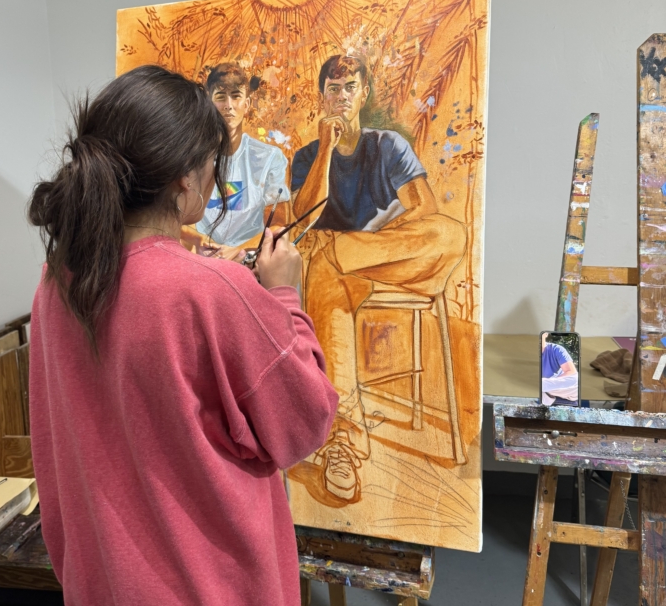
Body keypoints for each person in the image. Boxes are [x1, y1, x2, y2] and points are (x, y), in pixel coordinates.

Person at [28, 65, 338, 605]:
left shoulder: (57, 283)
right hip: (210, 588)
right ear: (184, 178)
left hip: (102, 584)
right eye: (213, 161)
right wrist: (283, 294)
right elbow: (305, 421)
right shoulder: (210, 291)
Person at [290, 55, 466, 502]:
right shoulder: (307, 157)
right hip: (341, 279)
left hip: (390, 262)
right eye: (333, 89)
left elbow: (422, 208)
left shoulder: (388, 145)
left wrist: (368, 244)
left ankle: (343, 252)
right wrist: (326, 150)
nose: (341, 97)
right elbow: (303, 219)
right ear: (322, 96)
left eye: (349, 87)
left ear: (363, 93)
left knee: (450, 232)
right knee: (326, 272)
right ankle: (343, 439)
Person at [181, 63, 290, 255]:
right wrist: (199, 242)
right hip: (202, 258)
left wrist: (237, 252)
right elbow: (173, 219)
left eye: (236, 96)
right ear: (209, 103)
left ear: (246, 104)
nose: (228, 105)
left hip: (250, 258)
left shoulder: (269, 158)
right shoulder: (189, 155)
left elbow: (278, 226)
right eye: (220, 97)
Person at [541, 332, 579, 405]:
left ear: (545, 335)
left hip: (559, 386)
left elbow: (570, 371)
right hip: (544, 393)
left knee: (577, 379)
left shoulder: (556, 349)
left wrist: (550, 383)